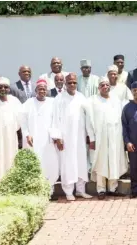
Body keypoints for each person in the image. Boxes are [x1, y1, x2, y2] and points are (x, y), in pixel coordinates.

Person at [50, 73, 94, 201]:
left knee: (81, 163)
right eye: (69, 83)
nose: (72, 85)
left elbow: (88, 118)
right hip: (66, 138)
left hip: (80, 137)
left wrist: (90, 136)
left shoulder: (81, 97)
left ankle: (81, 190)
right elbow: (55, 120)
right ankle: (68, 191)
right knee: (67, 164)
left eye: (74, 82)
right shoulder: (59, 99)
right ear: (65, 83)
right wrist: (57, 137)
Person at [89, 77, 128, 200]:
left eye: (107, 85)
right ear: (98, 87)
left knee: (114, 161)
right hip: (100, 137)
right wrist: (92, 138)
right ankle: (101, 189)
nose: (105, 87)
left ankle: (113, 188)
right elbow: (89, 121)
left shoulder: (116, 99)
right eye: (102, 85)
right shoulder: (93, 100)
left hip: (115, 136)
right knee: (101, 162)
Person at [20, 79, 59, 200]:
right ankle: (36, 191)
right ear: (35, 90)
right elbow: (23, 120)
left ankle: (49, 191)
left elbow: (57, 120)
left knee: (50, 165)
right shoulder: (29, 103)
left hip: (48, 141)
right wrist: (27, 134)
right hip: (33, 140)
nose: (42, 91)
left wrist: (56, 136)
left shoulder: (53, 102)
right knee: (36, 164)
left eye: (44, 89)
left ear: (47, 91)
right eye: (39, 89)